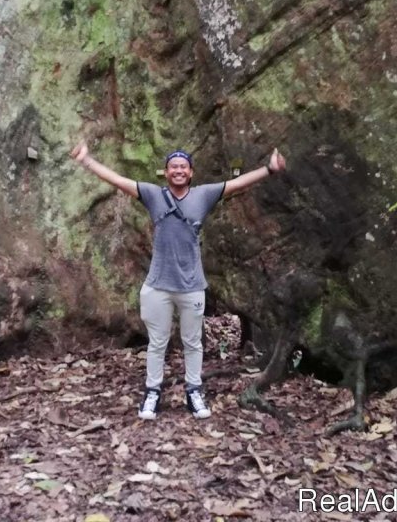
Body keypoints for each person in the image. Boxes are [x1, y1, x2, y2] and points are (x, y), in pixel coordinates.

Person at [70, 141, 286, 420]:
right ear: (166, 172)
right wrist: (87, 161)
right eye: (174, 167)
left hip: (192, 285)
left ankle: (194, 391)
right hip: (158, 285)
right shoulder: (152, 195)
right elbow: (118, 180)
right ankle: (152, 393)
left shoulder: (203, 195)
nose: (179, 171)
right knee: (157, 343)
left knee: (193, 343)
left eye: (183, 167)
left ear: (191, 173)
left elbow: (236, 185)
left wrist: (268, 169)